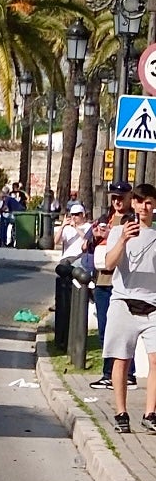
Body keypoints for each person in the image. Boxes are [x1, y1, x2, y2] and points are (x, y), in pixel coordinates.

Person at [98, 184, 156, 433]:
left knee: (155, 359)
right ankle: (121, 413)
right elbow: (109, 265)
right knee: (121, 359)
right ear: (133, 203)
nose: (144, 207)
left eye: (149, 202)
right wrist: (123, 239)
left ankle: (150, 413)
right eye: (140, 201)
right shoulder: (118, 231)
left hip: (152, 304)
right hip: (123, 302)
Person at [93, 182, 135, 390]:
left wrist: (113, 236)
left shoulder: (132, 221)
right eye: (114, 198)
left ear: (129, 198)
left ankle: (129, 374)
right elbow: (88, 247)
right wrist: (94, 237)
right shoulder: (104, 219)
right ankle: (107, 373)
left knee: (124, 332)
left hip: (121, 283)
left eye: (121, 197)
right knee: (104, 330)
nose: (117, 201)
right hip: (102, 280)